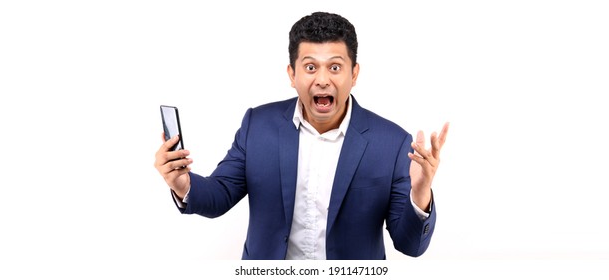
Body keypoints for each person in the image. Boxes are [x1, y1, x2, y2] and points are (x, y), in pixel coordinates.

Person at [154, 11, 449, 260]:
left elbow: (410, 245)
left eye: (335, 67)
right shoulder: (258, 125)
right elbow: (219, 195)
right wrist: (183, 184)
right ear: (292, 74)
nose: (322, 79)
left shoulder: (392, 143)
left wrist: (420, 194)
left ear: (354, 74)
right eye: (310, 67)